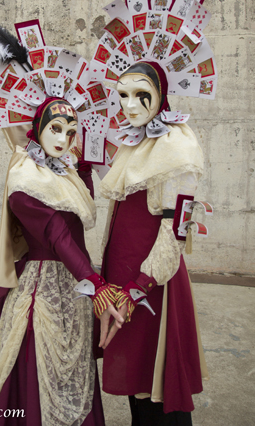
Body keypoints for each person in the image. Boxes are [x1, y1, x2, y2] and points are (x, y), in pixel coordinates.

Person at [0, 97, 122, 426]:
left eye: (70, 132)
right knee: (39, 363)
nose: (63, 139)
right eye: (55, 128)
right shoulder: (24, 180)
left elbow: (77, 217)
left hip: (75, 283)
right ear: (37, 128)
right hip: (45, 286)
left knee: (72, 365)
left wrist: (82, 172)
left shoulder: (62, 169)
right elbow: (57, 236)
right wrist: (95, 284)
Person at [98, 61, 209, 426]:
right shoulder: (134, 140)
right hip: (121, 275)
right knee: (135, 382)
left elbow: (176, 228)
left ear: (161, 93)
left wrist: (139, 288)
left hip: (151, 283)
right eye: (123, 96)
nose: (129, 106)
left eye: (140, 95)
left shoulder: (179, 145)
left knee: (157, 387)